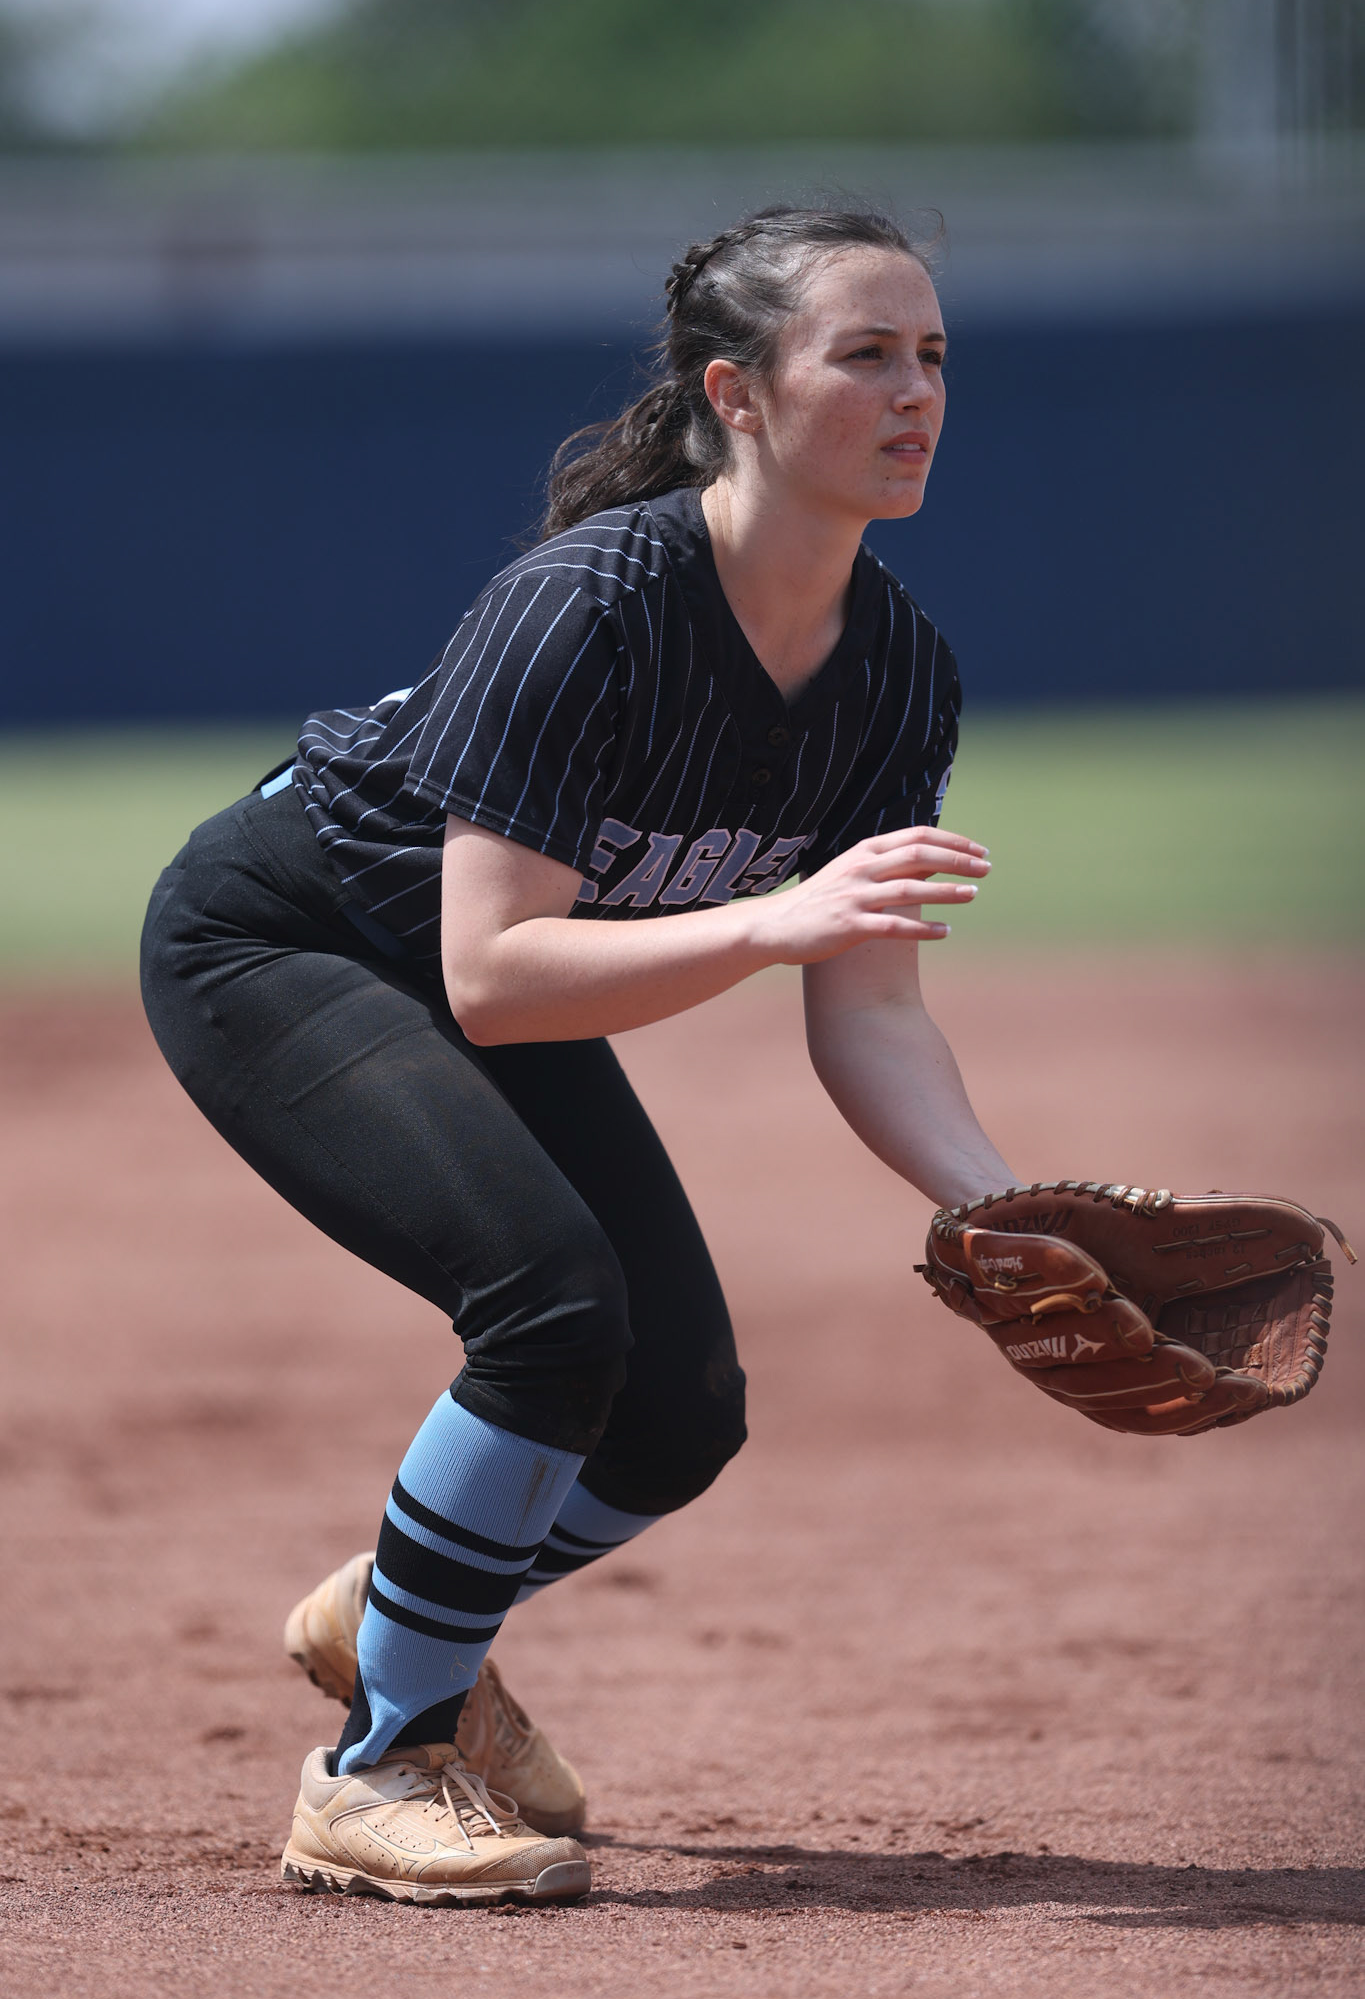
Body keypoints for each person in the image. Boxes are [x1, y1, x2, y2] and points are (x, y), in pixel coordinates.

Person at [140, 204, 1018, 1908]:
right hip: (288, 944)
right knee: (550, 1307)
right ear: (738, 394)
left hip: (504, 976)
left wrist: (1001, 1203)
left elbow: (874, 1009)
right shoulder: (590, 604)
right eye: (864, 354)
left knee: (678, 1412)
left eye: (931, 357)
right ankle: (376, 1763)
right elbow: (489, 973)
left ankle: (384, 1612)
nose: (914, 393)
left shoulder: (898, 666)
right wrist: (773, 921)